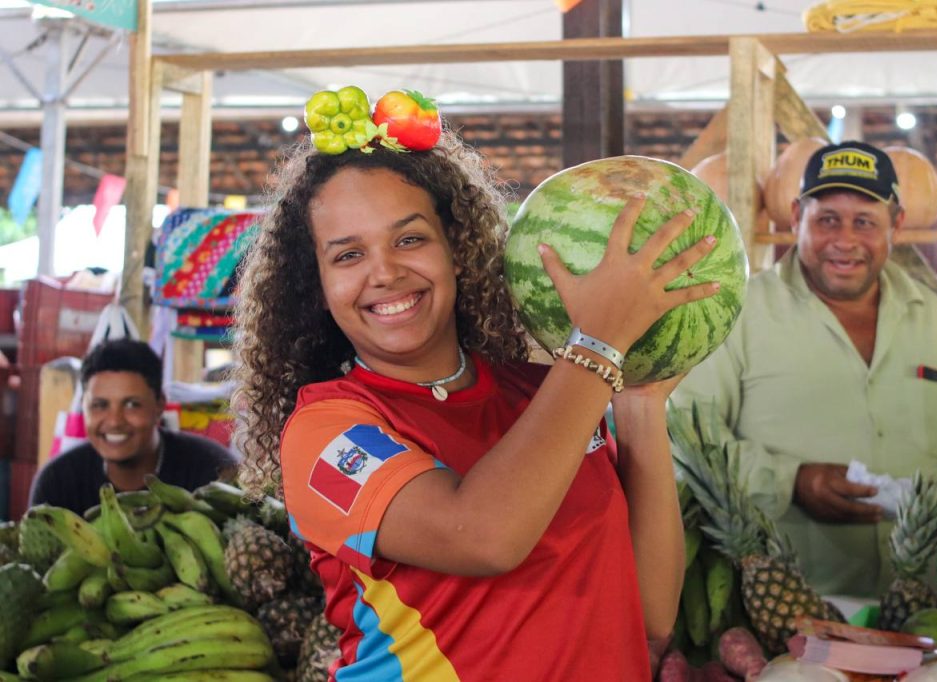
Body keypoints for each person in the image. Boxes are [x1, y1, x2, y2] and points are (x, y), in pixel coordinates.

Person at [231, 97, 718, 679]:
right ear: (319, 286)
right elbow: (484, 537)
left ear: (457, 250)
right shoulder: (324, 433)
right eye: (349, 255)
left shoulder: (550, 393)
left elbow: (649, 618)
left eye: (410, 239)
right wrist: (597, 347)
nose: (384, 272)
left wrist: (639, 403)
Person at [671, 141, 937, 599]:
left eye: (864, 221)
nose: (845, 240)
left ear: (895, 224)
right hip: (780, 613)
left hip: (916, 609)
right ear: (796, 217)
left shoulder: (929, 313)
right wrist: (792, 480)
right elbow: (684, 441)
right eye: (827, 220)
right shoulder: (738, 311)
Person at [29, 338, 239, 516]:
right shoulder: (56, 482)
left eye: (131, 405)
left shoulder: (213, 472)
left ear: (159, 405)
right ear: (83, 407)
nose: (114, 421)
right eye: (100, 405)